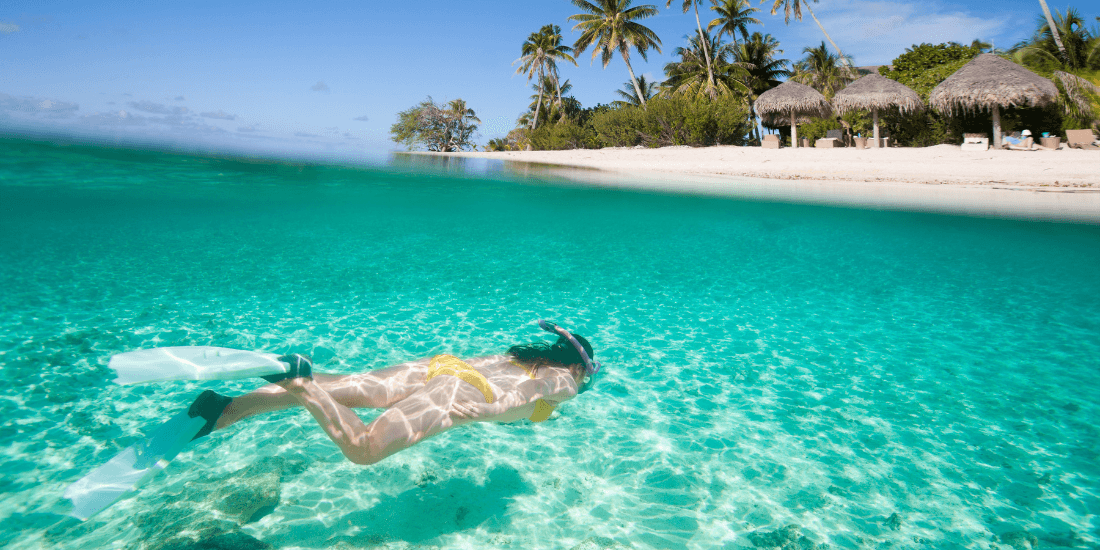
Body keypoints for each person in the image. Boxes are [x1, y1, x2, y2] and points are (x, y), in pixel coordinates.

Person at [186, 321, 601, 465]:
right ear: (580, 366)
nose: (582, 382)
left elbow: (510, 378)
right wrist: (480, 413)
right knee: (364, 448)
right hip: (463, 388)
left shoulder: (518, 356)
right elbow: (531, 394)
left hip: (445, 366)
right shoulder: (566, 379)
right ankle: (299, 382)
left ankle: (227, 410)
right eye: (586, 375)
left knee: (342, 388)